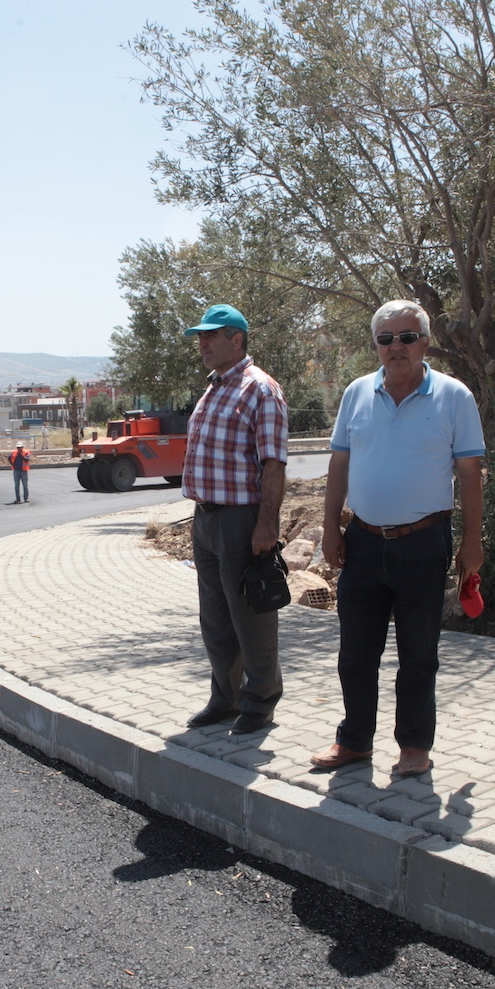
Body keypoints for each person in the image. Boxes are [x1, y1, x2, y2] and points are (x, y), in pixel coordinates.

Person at [308, 301, 483, 778]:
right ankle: (354, 742)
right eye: (386, 339)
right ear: (376, 346)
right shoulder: (356, 394)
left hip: (423, 545)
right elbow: (339, 465)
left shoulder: (454, 397)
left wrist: (472, 542)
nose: (396, 347)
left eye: (407, 337)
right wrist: (330, 527)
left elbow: (470, 476)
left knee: (418, 654)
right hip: (362, 542)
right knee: (356, 653)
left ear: (425, 343)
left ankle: (413, 747)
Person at [180, 304, 289, 735]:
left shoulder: (260, 389)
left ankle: (260, 702)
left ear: (237, 339)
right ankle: (224, 700)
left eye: (211, 335)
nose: (203, 343)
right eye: (200, 337)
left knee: (251, 616)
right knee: (216, 617)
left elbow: (274, 465)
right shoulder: (214, 388)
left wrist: (266, 525)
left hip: (240, 520)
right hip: (206, 519)